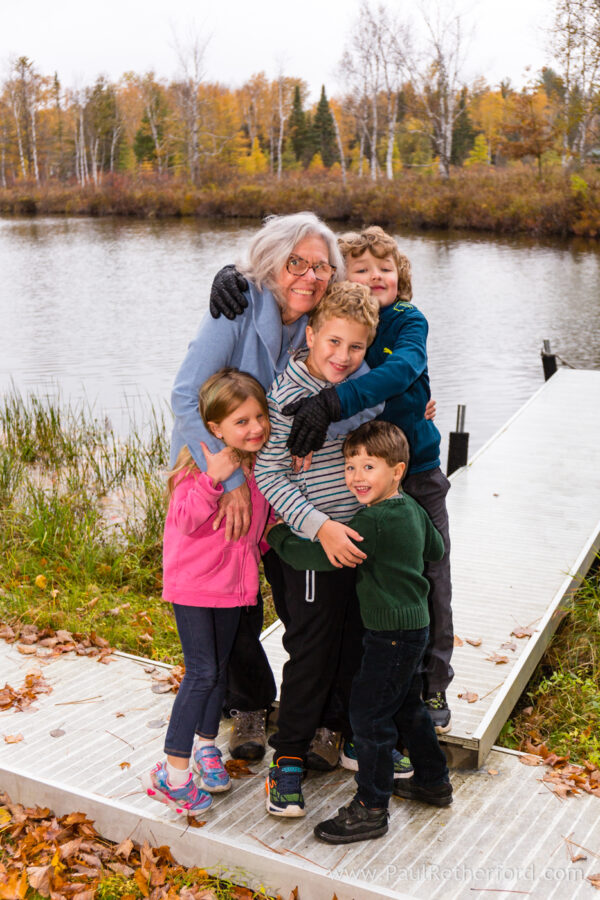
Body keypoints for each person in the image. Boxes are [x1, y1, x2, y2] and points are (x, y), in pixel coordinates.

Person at [170, 211, 345, 762]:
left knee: (304, 604)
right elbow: (184, 396)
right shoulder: (238, 304)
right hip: (223, 475)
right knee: (231, 600)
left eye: (321, 266)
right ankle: (247, 706)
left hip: (290, 485)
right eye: (296, 262)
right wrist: (230, 481)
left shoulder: (325, 321)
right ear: (272, 263)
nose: (309, 276)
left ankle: (320, 714)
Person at [282, 226, 454, 736]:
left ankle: (433, 679)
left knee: (429, 574)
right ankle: (358, 694)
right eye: (361, 269)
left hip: (414, 475)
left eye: (386, 268)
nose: (375, 276)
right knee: (365, 585)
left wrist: (335, 403)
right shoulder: (347, 329)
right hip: (359, 482)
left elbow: (402, 371)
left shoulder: (406, 321)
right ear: (343, 283)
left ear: (401, 277)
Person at [266, 420, 452, 844]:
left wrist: (277, 535)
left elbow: (319, 557)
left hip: (388, 635)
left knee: (368, 717)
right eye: (350, 466)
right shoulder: (412, 510)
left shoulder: (375, 521)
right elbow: (435, 550)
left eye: (369, 467)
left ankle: (370, 807)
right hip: (415, 627)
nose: (356, 477)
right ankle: (432, 780)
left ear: (397, 470)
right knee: (407, 706)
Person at [255, 281, 383, 817]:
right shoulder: (286, 395)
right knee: (310, 652)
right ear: (310, 334)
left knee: (357, 642)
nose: (343, 356)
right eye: (333, 342)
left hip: (357, 542)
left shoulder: (360, 388)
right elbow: (270, 475)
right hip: (313, 549)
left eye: (355, 348)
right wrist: (321, 525)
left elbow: (372, 428)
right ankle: (286, 760)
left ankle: (350, 732)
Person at [142, 368, 272, 816]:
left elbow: (261, 526)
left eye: (259, 416)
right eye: (241, 421)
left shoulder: (258, 467)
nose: (255, 428)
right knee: (201, 673)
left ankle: (205, 747)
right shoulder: (198, 463)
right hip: (195, 588)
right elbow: (184, 519)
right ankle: (173, 774)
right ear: (214, 428)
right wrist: (211, 479)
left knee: (217, 671)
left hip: (235, 588)